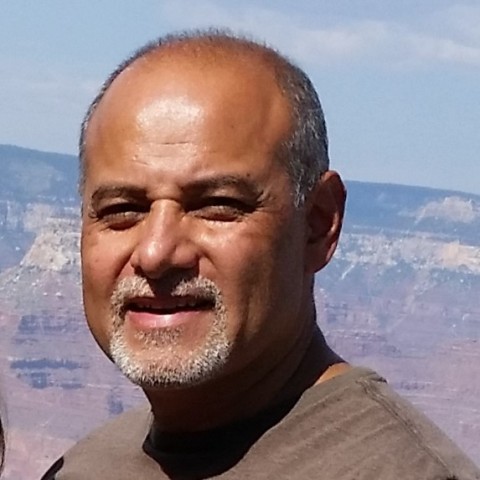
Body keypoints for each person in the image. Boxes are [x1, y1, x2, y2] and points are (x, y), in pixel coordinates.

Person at [41, 30, 480, 479]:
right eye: (122, 210)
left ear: (318, 224)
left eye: (217, 205)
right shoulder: (86, 467)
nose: (156, 253)